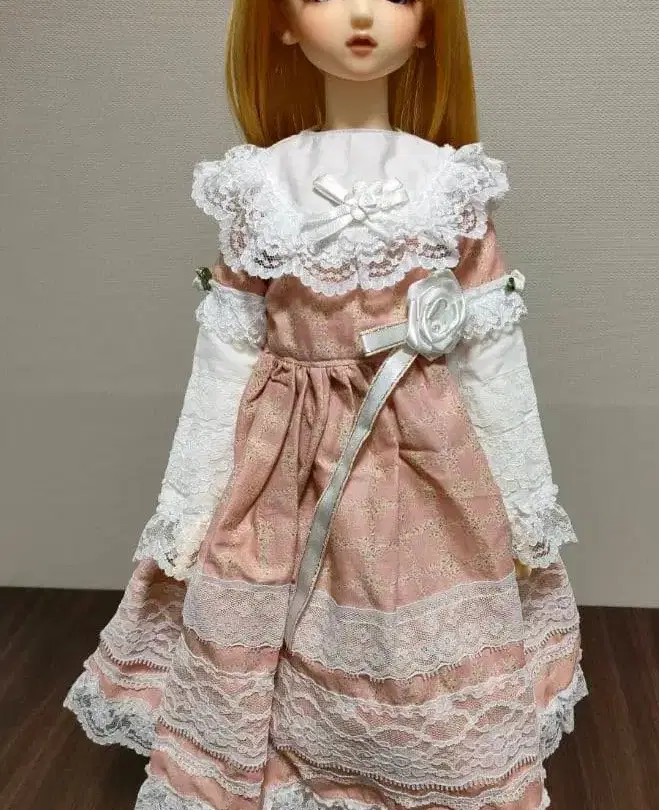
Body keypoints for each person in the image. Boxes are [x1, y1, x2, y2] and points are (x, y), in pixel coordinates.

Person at [63, 2, 587, 808]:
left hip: (420, 451)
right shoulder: (260, 185)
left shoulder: (450, 185)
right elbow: (225, 355)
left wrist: (524, 504)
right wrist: (188, 507)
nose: (363, 13)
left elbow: (491, 356)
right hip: (284, 460)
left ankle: (410, 776)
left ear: (429, 25)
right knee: (269, 612)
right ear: (279, 24)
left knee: (408, 628)